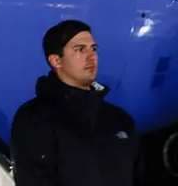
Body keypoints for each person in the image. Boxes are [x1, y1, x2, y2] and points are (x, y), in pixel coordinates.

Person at [11, 19, 141, 186]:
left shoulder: (120, 120)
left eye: (93, 49)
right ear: (56, 61)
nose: (91, 57)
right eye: (80, 49)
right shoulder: (34, 118)